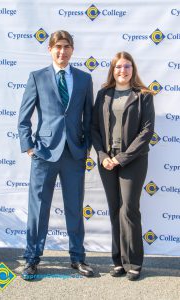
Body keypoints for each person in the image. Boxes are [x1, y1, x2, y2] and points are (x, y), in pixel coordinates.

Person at [18, 30, 94, 279]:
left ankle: (77, 258)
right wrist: (29, 146)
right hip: (44, 153)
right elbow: (24, 118)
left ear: (72, 49)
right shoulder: (37, 77)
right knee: (38, 208)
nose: (62, 51)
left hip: (74, 154)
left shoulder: (84, 79)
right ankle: (31, 259)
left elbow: (89, 119)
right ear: (50, 49)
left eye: (67, 46)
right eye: (57, 47)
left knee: (74, 207)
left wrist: (86, 149)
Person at [91, 51, 155, 281]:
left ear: (133, 69)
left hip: (133, 160)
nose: (123, 70)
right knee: (114, 209)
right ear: (113, 70)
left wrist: (122, 158)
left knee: (129, 209)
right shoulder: (103, 95)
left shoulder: (143, 96)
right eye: (118, 67)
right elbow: (94, 129)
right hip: (107, 160)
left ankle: (134, 262)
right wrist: (102, 155)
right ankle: (118, 261)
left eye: (127, 66)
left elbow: (147, 131)